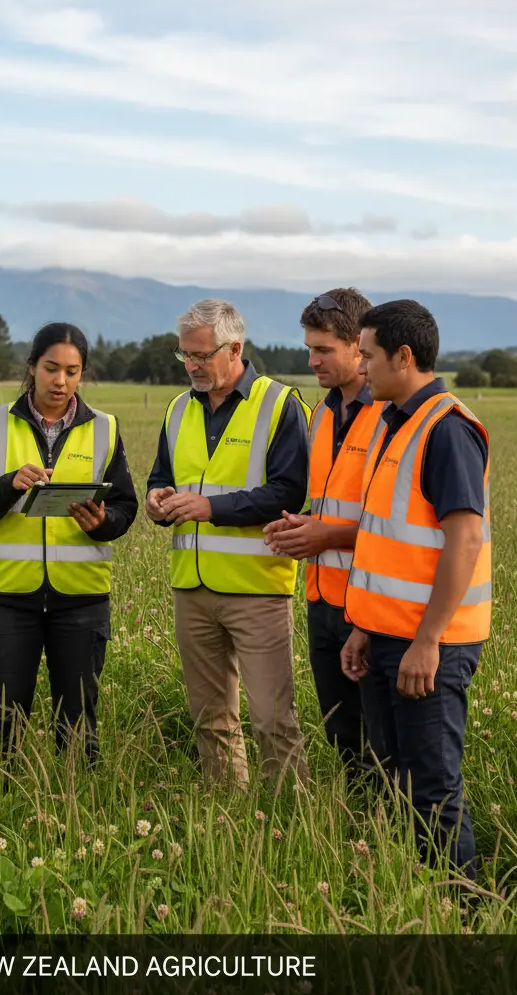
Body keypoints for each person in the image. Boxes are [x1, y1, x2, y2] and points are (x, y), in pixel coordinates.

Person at [340, 299, 490, 879]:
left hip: (430, 647)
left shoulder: (447, 430)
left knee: (432, 790)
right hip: (386, 637)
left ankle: (465, 916)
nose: (362, 365)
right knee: (399, 784)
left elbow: (465, 542)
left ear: (404, 357)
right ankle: (417, 901)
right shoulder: (393, 422)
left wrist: (426, 642)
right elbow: (388, 542)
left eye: (369, 355)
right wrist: (363, 627)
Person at [146, 299, 311, 792]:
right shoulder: (178, 408)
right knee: (211, 718)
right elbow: (163, 476)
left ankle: (291, 821)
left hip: (257, 588)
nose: (192, 366)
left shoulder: (280, 405)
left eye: (200, 356)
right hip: (191, 588)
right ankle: (230, 812)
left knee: (272, 719)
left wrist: (210, 509)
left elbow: (288, 492)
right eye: (185, 357)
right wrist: (157, 500)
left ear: (234, 347)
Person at [0, 323, 137, 762]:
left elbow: (125, 509)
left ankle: (77, 814)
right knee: (1, 718)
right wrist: (8, 485)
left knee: (78, 721)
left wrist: (100, 522)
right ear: (32, 367)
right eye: (51, 369)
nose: (61, 381)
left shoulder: (106, 429)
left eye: (72, 372)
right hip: (8, 597)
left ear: (83, 374)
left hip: (81, 597)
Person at [264, 288, 384, 779]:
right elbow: (327, 503)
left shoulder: (389, 417)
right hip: (321, 599)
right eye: (310, 348)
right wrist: (301, 526)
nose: (311, 360)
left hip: (374, 603)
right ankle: (361, 837)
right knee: (343, 736)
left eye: (324, 350)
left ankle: (396, 843)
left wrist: (324, 537)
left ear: (359, 346)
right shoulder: (322, 414)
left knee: (384, 743)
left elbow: (398, 526)